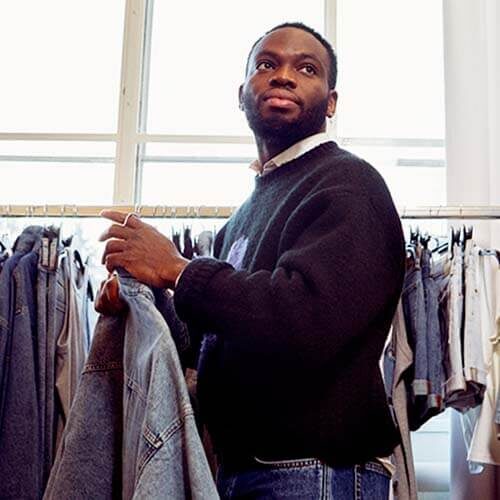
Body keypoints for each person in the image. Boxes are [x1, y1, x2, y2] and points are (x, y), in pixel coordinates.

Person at [99, 22, 406, 499]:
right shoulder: (244, 213)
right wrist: (144, 302)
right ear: (242, 93)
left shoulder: (349, 184)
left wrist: (177, 269)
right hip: (246, 470)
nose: (283, 76)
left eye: (306, 68)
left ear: (331, 102)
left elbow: (307, 318)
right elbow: (209, 344)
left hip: (313, 472)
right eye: (267, 64)